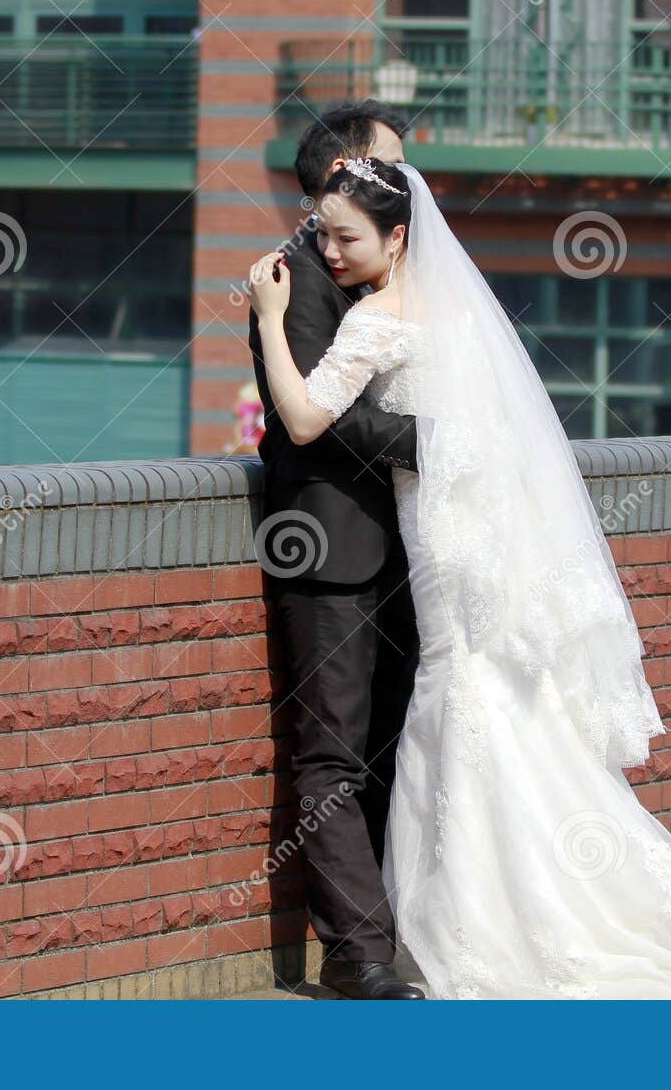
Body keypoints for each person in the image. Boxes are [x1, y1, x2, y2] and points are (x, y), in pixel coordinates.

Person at [246, 156, 671, 1000]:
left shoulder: (378, 316)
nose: (330, 252)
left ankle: (490, 913)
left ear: (398, 235)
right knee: (497, 696)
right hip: (482, 523)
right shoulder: (462, 312)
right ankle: (545, 889)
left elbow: (304, 418)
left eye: (346, 237)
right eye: (324, 233)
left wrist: (271, 318)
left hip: (444, 537)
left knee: (462, 693)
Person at [245, 102, 425, 1000]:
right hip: (324, 549)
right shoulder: (294, 275)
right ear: (346, 170)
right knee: (331, 758)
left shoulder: (389, 266)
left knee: (396, 747)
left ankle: (398, 931)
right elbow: (319, 422)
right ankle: (357, 955)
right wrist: (436, 441)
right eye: (392, 162)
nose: (409, 181)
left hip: (407, 553)